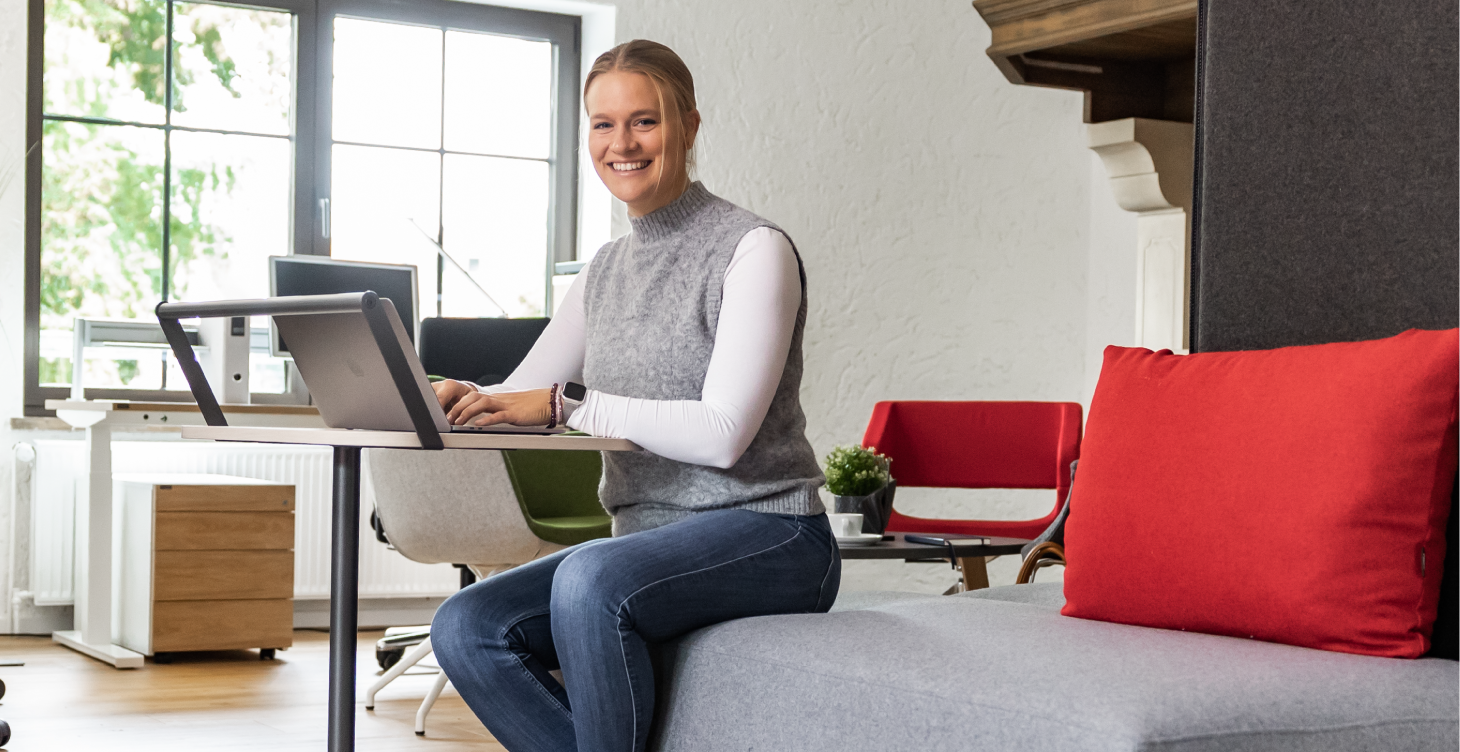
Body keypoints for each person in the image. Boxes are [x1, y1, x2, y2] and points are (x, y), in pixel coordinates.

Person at [428, 39, 839, 752]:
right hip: (645, 537)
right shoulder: (605, 269)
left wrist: (568, 405)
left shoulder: (752, 249)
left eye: (644, 121)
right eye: (603, 124)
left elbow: (722, 434)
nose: (622, 143)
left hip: (772, 532)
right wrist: (461, 395)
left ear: (689, 125)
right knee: (466, 624)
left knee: (590, 579)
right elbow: (523, 395)